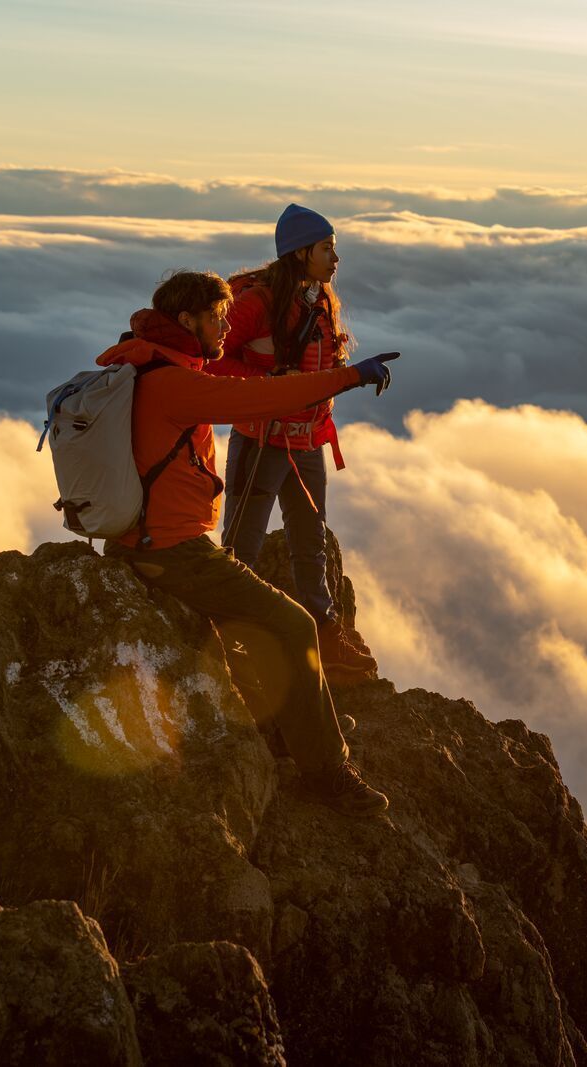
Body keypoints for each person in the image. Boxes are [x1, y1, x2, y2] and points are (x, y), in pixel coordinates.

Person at [99, 269, 398, 816]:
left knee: (251, 630)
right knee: (291, 624)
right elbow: (264, 398)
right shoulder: (175, 383)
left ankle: (294, 725)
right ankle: (326, 772)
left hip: (142, 539)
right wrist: (345, 377)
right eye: (217, 316)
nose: (225, 326)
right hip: (172, 550)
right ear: (187, 320)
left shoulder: (144, 362)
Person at [209, 204, 378, 683]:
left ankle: (323, 638)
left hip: (306, 441)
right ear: (300, 252)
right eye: (327, 248)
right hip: (261, 441)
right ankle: (229, 640)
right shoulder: (256, 304)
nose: (335, 258)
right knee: (242, 546)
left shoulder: (318, 299)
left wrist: (351, 380)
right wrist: (266, 377)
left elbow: (315, 374)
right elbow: (211, 364)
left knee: (311, 543)